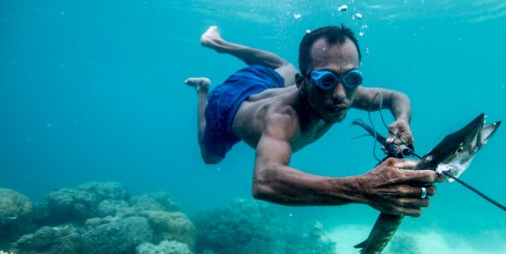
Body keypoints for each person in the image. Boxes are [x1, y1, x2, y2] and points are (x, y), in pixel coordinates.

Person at [185, 25, 437, 217]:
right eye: (326, 80)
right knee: (210, 158)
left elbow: (396, 97)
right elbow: (264, 181)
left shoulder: (344, 91)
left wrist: (403, 119)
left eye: (352, 79)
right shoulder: (284, 118)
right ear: (302, 83)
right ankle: (202, 90)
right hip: (226, 107)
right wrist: (363, 188)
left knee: (283, 65)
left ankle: (218, 43)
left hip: (262, 81)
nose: (340, 95)